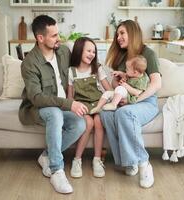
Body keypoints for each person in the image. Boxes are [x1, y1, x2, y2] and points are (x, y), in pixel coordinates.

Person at [18, 15, 88, 194]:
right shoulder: (29, 63)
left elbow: (81, 69)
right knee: (55, 114)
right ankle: (57, 170)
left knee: (81, 123)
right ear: (40, 38)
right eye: (54, 35)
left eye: (58, 34)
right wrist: (68, 103)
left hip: (62, 106)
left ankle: (46, 156)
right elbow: (37, 98)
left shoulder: (63, 51)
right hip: (38, 108)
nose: (59, 38)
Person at [100, 20, 162, 188]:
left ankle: (144, 163)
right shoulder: (121, 56)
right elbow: (116, 85)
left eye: (122, 33)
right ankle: (129, 162)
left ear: (132, 33)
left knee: (124, 113)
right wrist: (116, 81)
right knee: (106, 113)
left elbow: (156, 84)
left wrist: (133, 101)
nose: (118, 37)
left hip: (145, 102)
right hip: (126, 99)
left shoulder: (147, 53)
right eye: (117, 34)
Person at [67, 37, 112, 178]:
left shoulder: (97, 68)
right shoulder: (71, 71)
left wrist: (106, 101)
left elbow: (109, 89)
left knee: (98, 122)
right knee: (89, 122)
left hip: (98, 104)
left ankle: (97, 160)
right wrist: (75, 107)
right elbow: (70, 97)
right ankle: (77, 159)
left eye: (94, 51)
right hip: (82, 105)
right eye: (88, 50)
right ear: (79, 50)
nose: (92, 54)